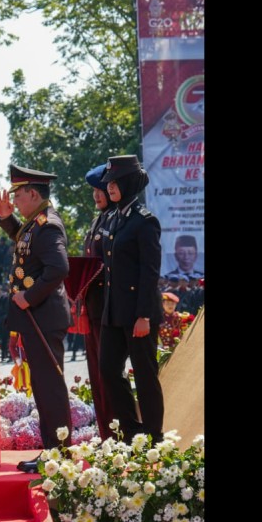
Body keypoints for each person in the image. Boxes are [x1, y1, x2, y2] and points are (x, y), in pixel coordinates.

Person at [0, 164, 71, 473]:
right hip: (37, 319)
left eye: (19, 195)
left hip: (44, 318)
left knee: (50, 387)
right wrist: (6, 218)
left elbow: (58, 268)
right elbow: (27, 245)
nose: (15, 200)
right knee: (42, 385)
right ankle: (52, 452)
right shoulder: (35, 223)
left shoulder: (48, 225)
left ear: (34, 194)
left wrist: (29, 296)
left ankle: (59, 454)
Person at [99, 155, 165, 445]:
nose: (110, 187)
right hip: (114, 312)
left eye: (115, 182)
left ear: (128, 183)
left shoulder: (145, 222)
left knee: (145, 374)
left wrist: (144, 316)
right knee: (108, 369)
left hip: (139, 313)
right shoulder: (112, 218)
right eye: (109, 182)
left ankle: (153, 435)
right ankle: (131, 430)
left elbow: (150, 273)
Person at [79, 163, 116, 440]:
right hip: (92, 309)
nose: (96, 195)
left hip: (109, 310)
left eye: (100, 189)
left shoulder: (116, 220)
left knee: (109, 377)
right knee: (96, 376)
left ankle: (116, 436)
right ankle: (105, 436)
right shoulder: (97, 222)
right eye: (94, 190)